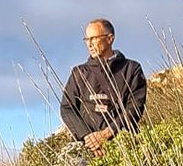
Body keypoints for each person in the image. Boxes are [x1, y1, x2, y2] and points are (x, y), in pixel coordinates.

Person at [60, 19, 148, 157]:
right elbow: (67, 108)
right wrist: (88, 138)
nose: (89, 44)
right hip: (88, 150)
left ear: (110, 39)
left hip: (123, 147)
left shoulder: (132, 69)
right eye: (86, 39)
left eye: (94, 38)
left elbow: (135, 107)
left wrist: (107, 133)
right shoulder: (79, 73)